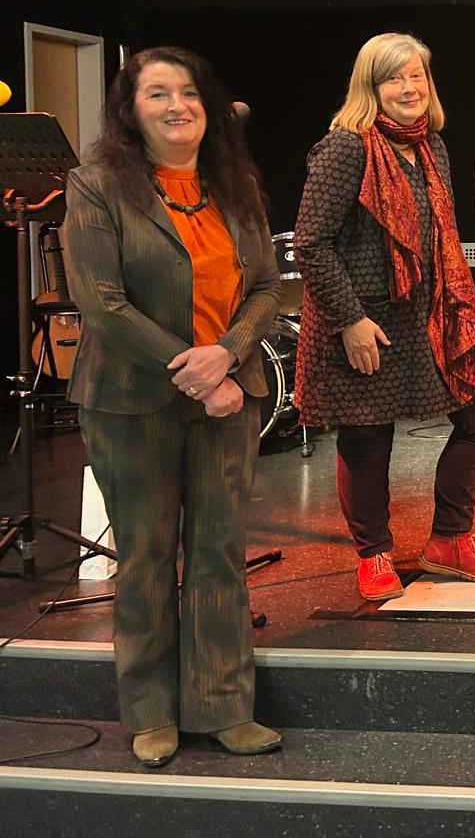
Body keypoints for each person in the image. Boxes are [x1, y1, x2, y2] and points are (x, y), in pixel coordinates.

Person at [62, 47, 282, 767]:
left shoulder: (234, 184)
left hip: (230, 392)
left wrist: (229, 354)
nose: (177, 106)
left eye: (188, 92)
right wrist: (197, 373)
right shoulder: (96, 186)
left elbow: (266, 288)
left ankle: (223, 705)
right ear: (131, 109)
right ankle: (151, 710)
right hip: (132, 400)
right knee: (147, 553)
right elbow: (102, 304)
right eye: (158, 93)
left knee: (219, 552)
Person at [295, 32, 475, 602]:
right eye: (394, 77)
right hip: (364, 322)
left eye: (417, 75)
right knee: (367, 439)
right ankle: (373, 554)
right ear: (371, 86)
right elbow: (310, 243)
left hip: (430, 315)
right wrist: (348, 320)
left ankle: (449, 539)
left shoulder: (430, 145)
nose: (409, 87)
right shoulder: (346, 147)